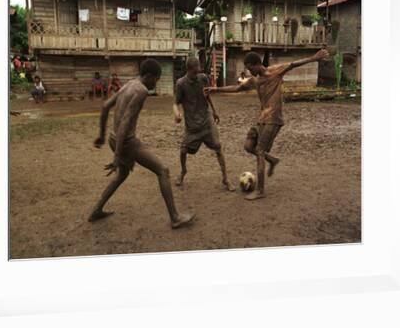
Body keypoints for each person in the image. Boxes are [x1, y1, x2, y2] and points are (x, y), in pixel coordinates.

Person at [205, 49, 329, 200]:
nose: (249, 71)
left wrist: (314, 58)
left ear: (257, 64)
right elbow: (237, 88)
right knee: (248, 146)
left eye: (250, 68)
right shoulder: (254, 80)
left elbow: (293, 64)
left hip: (274, 118)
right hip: (261, 118)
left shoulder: (274, 71)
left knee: (260, 151)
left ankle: (260, 190)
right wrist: (215, 89)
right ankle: (273, 160)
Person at [90, 59, 195, 229]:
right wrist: (117, 155)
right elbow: (125, 121)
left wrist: (102, 136)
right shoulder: (141, 91)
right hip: (126, 142)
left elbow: (105, 106)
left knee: (122, 175)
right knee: (163, 171)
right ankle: (175, 218)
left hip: (113, 138)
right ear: (149, 76)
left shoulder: (130, 84)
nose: (157, 82)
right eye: (157, 78)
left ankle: (96, 210)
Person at [173, 57, 234, 191]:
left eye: (198, 71)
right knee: (183, 150)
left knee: (218, 147)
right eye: (194, 72)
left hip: (207, 120)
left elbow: (207, 96)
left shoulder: (203, 78)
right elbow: (175, 102)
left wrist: (214, 111)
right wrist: (177, 113)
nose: (197, 74)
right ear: (188, 70)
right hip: (192, 125)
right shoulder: (181, 84)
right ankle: (183, 172)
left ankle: (225, 179)